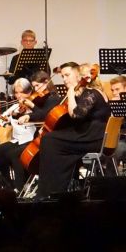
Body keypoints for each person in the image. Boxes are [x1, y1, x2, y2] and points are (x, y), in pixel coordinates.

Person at [35, 62, 110, 199]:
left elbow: (76, 115)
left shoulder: (91, 93)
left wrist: (70, 92)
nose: (65, 79)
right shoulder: (92, 93)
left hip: (93, 138)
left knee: (49, 140)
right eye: (63, 76)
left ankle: (50, 191)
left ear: (79, 76)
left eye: (67, 75)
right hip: (92, 135)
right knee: (53, 139)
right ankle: (56, 189)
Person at [0, 72, 55, 190]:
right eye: (16, 92)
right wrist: (2, 117)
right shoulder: (17, 105)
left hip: (31, 139)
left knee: (14, 154)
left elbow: (42, 115)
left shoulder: (40, 102)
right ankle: (7, 185)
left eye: (22, 92)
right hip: (17, 140)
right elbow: (7, 118)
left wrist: (30, 107)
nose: (19, 96)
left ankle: (19, 187)